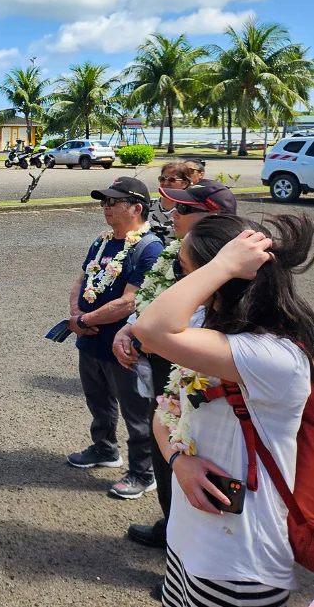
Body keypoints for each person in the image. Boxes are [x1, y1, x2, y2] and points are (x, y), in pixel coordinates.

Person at [133, 213, 313, 606]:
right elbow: (166, 411)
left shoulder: (273, 356)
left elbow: (149, 330)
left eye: (185, 271)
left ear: (223, 277)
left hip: (239, 562)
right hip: (187, 542)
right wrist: (179, 460)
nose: (181, 282)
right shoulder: (212, 328)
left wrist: (222, 264)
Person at [116, 178, 238, 559]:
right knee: (166, 450)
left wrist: (144, 334)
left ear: (213, 218)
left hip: (201, 383)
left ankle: (185, 554)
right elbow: (148, 302)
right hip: (166, 375)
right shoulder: (176, 252)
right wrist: (127, 328)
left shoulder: (229, 272)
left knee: (196, 460)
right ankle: (171, 527)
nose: (173, 214)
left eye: (183, 209)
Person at [65, 176, 163, 499]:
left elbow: (131, 301)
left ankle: (143, 472)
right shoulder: (102, 241)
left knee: (137, 413)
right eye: (103, 201)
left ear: (136, 208)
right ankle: (105, 448)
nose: (105, 207)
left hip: (124, 347)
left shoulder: (150, 248)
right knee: (99, 402)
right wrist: (76, 316)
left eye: (112, 202)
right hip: (90, 340)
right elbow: (81, 280)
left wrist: (85, 319)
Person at [147, 162, 190, 241]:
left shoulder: (188, 210)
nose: (166, 183)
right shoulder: (147, 205)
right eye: (162, 179)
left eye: (171, 180)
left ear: (184, 183)